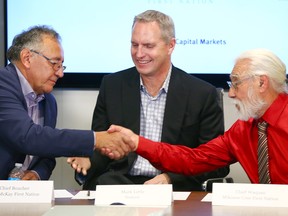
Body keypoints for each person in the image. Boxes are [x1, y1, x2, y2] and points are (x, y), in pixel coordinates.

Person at [77, 10, 229, 191]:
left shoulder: (202, 94)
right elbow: (103, 147)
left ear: (170, 46)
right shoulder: (112, 86)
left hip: (173, 188)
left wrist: (170, 178)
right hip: (120, 184)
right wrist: (87, 159)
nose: (139, 54)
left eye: (148, 46)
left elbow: (216, 162)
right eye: (134, 45)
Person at [101, 48, 287, 184]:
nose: (231, 93)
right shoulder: (244, 129)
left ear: (262, 83)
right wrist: (137, 143)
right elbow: (194, 159)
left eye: (236, 83)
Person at [0, 25, 134, 181]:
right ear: (27, 58)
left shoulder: (48, 101)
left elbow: (46, 154)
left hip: (22, 195)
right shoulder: (3, 85)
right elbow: (28, 137)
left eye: (61, 65)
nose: (60, 73)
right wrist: (96, 139)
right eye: (54, 63)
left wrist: (37, 174)